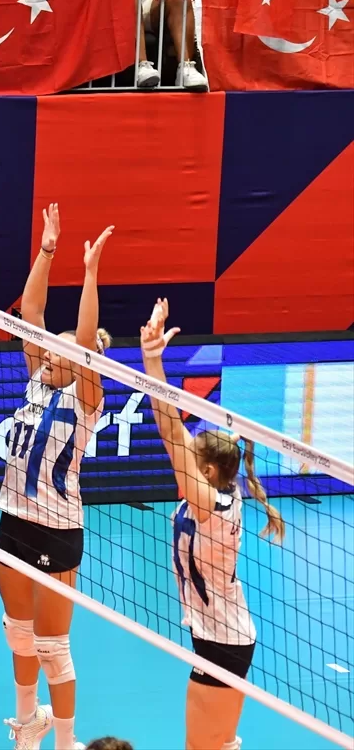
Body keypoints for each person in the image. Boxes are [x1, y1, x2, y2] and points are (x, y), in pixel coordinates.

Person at [140, 297, 284, 750]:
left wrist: (154, 365)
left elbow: (174, 440)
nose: (184, 447)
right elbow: (170, 430)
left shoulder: (212, 505)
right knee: (217, 743)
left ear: (206, 471)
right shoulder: (216, 489)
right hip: (220, 634)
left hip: (223, 641)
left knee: (201, 747)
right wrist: (151, 359)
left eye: (193, 453)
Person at [0, 203, 113, 750]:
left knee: (52, 647)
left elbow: (85, 343)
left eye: (60, 349)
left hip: (57, 527)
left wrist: (90, 274)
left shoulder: (85, 400)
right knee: (17, 634)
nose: (48, 351)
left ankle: (66, 741)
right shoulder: (37, 379)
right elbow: (31, 310)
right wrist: (48, 249)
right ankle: (28, 723)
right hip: (13, 517)